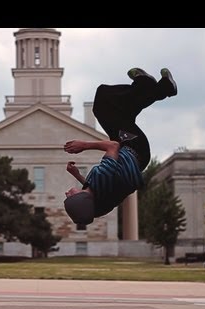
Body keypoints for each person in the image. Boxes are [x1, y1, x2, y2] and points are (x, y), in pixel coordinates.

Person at [64, 67, 177, 225]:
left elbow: (93, 189)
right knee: (103, 102)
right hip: (133, 146)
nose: (67, 193)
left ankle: (162, 88)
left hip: (137, 158)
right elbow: (113, 147)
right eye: (70, 196)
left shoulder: (99, 204)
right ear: (80, 198)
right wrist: (83, 145)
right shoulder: (102, 177)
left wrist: (77, 174)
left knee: (121, 112)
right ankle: (151, 85)